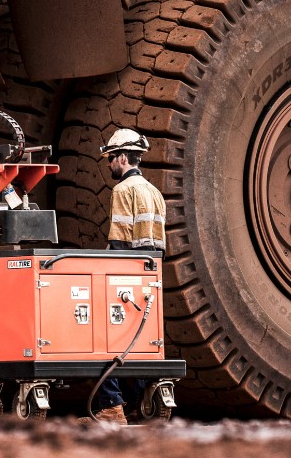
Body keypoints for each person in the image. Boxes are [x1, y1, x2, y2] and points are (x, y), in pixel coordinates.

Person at [89, 128, 167, 425]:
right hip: (150, 274)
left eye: (110, 158)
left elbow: (120, 241)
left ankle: (111, 406)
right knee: (138, 341)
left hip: (125, 272)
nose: (108, 163)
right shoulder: (154, 191)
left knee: (102, 337)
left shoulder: (123, 190)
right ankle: (134, 404)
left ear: (122, 157)